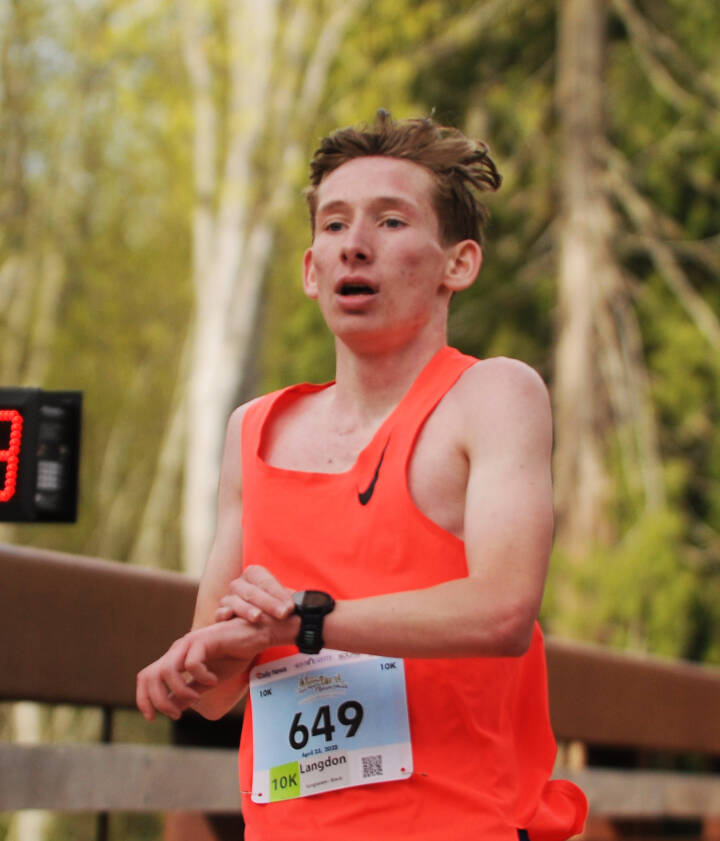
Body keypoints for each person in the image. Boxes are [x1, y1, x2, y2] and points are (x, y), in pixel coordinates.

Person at [136, 110, 587, 841]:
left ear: (458, 264)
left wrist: (307, 620)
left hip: (461, 826)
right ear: (311, 271)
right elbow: (220, 694)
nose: (356, 246)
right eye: (336, 225)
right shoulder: (252, 430)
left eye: (391, 222)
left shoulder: (492, 396)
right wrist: (192, 664)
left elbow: (503, 611)